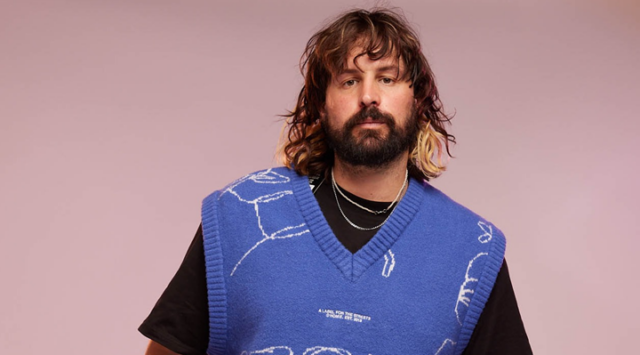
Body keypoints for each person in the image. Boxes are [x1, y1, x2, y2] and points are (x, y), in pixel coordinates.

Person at [139, 8, 532, 355]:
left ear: (417, 100)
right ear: (321, 106)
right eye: (348, 80)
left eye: (388, 78)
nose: (368, 96)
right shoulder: (236, 216)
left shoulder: (472, 250)